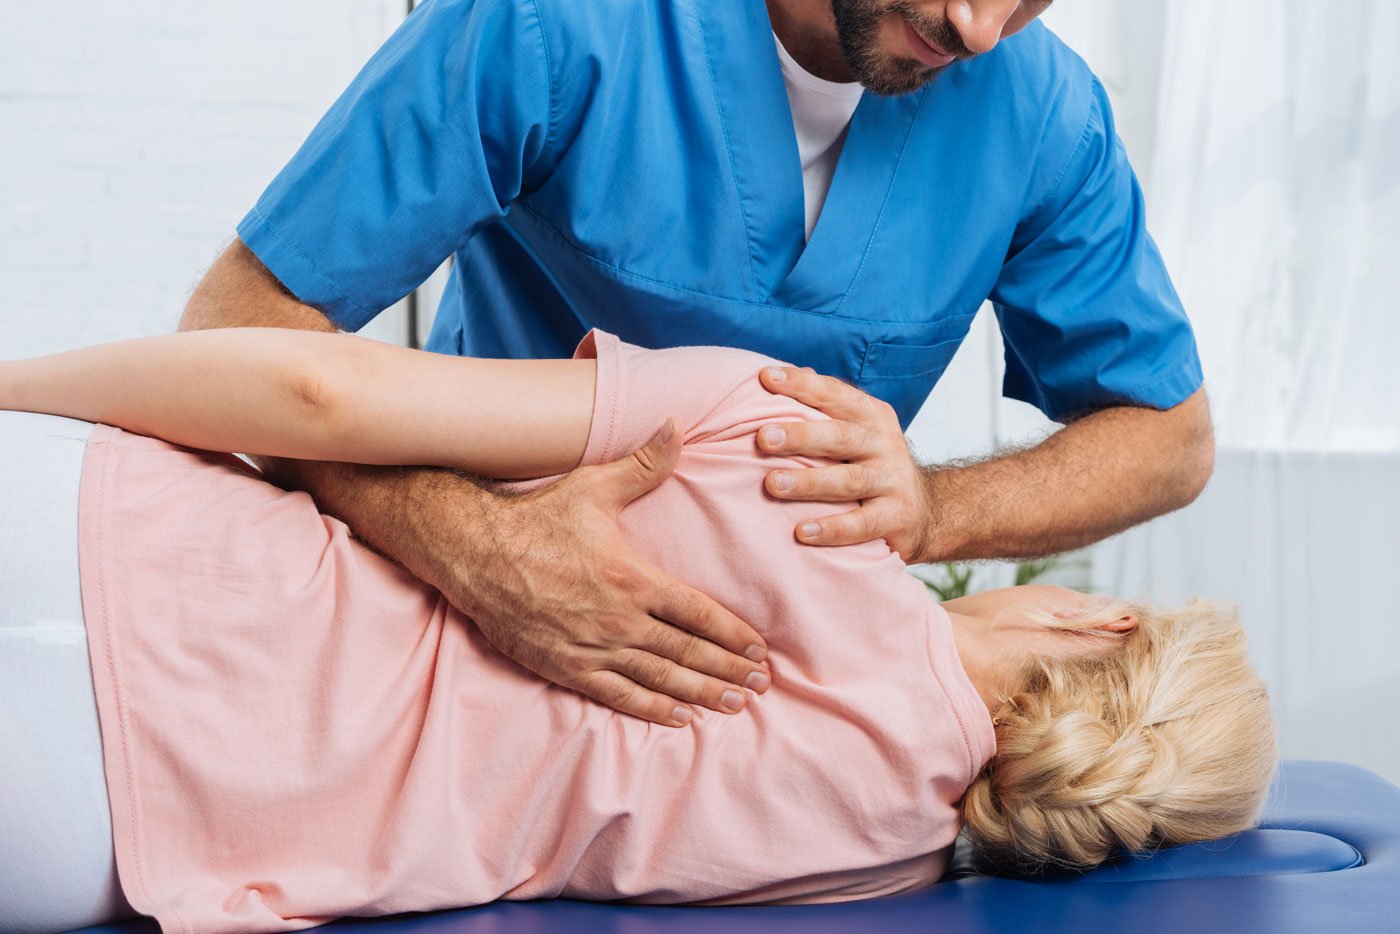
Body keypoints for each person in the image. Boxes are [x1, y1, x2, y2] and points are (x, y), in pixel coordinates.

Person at [0, 329, 1274, 933]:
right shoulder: (874, 870)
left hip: (102, 542)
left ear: (1096, 617)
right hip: (101, 838)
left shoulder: (777, 441)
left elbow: (316, 392)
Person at [180, 0, 1217, 727]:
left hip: (761, 699)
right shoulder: (555, 22)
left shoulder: (1036, 113)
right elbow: (239, 323)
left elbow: (1167, 440)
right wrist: (476, 544)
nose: (978, 27)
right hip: (457, 635)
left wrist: (934, 511)